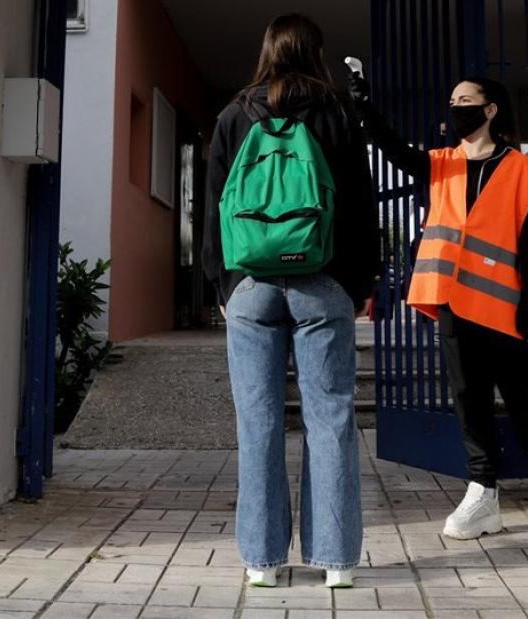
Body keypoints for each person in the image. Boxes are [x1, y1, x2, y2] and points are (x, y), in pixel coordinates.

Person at [350, 73, 528, 549]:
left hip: (506, 310)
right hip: (454, 304)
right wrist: (367, 110)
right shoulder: (442, 163)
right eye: (452, 101)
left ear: (490, 110)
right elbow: (396, 151)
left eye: (465, 101)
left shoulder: (524, 170)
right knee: (469, 402)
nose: (455, 109)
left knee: (526, 404)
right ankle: (483, 495)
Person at [202, 14, 380, 588]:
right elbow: (360, 205)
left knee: (257, 421)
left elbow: (213, 206)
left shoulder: (234, 114)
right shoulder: (338, 113)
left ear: (267, 51)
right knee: (330, 419)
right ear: (316, 53)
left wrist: (222, 283)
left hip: (250, 284)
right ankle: (336, 562)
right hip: (323, 282)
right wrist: (359, 283)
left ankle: (262, 561)